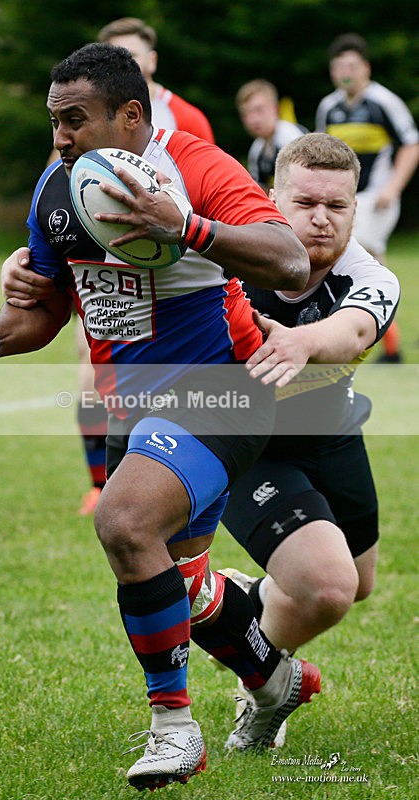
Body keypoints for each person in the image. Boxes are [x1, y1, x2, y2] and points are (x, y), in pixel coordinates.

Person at [0, 43, 318, 791]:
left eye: (73, 120)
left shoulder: (199, 167)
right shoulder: (57, 187)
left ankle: (174, 729)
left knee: (123, 522)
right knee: (183, 583)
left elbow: (287, 259)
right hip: (133, 406)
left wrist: (187, 228)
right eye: (53, 121)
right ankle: (274, 679)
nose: (59, 137)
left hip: (224, 390)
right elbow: (45, 308)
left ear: (130, 114)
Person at [216, 132, 400, 749]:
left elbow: (352, 332)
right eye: (305, 203)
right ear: (273, 198)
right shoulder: (229, 259)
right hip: (249, 446)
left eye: (338, 206)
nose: (321, 219)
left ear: (355, 207)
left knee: (360, 580)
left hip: (333, 436)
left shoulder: (369, 275)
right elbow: (124, 261)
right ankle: (264, 691)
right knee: (327, 587)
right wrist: (27, 265)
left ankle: (247, 606)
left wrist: (300, 341)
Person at [40, 18, 215, 515]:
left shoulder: (187, 119)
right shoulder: (82, 119)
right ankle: (101, 483)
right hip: (102, 266)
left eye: (134, 55)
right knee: (91, 372)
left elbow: (205, 189)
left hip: (173, 273)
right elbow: (59, 183)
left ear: (152, 62)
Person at [315, 33, 418, 363]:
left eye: (351, 65)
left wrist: (393, 188)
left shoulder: (382, 102)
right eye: (338, 66)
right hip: (342, 199)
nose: (345, 72)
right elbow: (321, 152)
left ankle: (358, 337)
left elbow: (411, 144)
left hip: (376, 198)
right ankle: (388, 345)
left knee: (357, 259)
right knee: (363, 263)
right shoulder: (329, 107)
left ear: (366, 68)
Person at [235, 79, 307, 194]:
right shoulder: (257, 149)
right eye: (246, 113)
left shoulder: (292, 139)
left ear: (275, 109)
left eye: (259, 110)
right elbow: (259, 191)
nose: (252, 119)